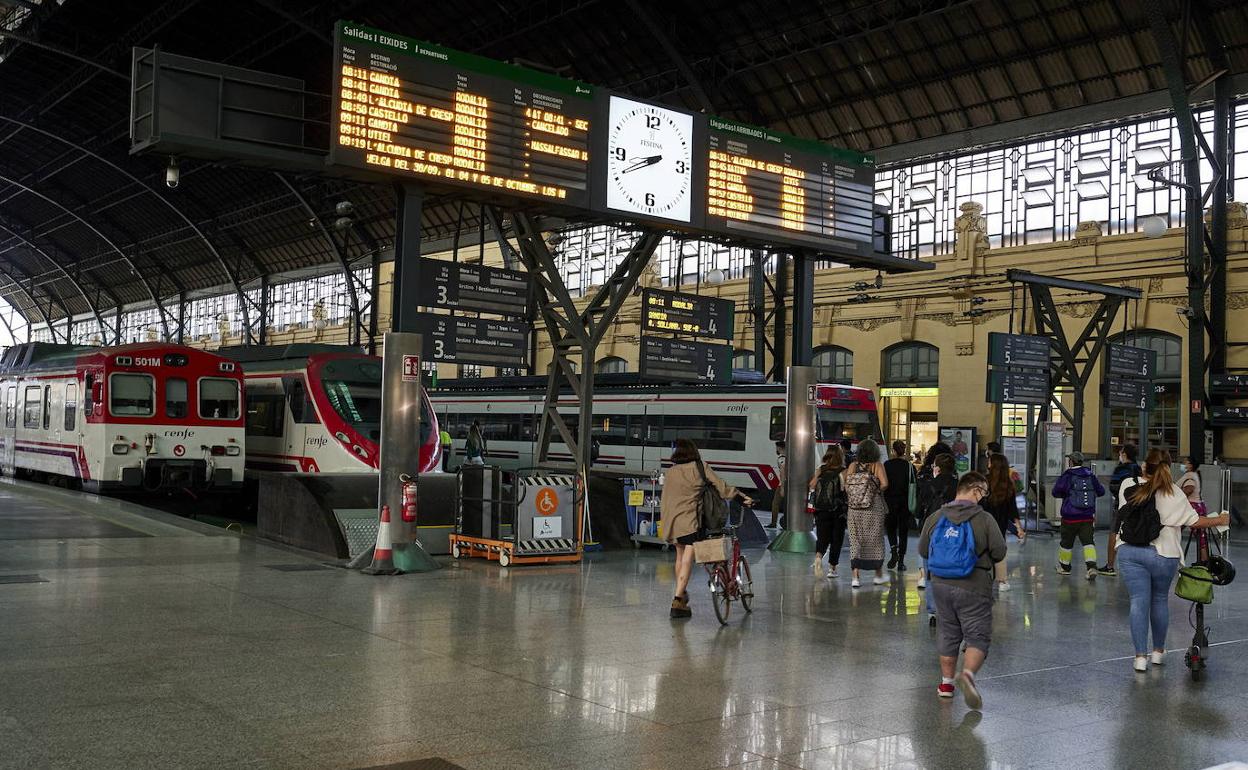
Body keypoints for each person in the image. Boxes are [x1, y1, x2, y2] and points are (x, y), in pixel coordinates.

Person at [1117, 449, 1229, 672]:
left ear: (1144, 467)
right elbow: (1195, 522)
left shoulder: (1127, 486)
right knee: (1159, 600)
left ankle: (1140, 657)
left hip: (1130, 551)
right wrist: (1222, 519)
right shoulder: (1174, 493)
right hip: (1163, 553)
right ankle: (1158, 652)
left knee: (1138, 602)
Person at [918, 471, 1007, 709]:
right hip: (974, 585)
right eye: (983, 493)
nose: (983, 498)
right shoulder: (985, 519)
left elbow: (923, 550)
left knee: (948, 632)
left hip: (940, 584)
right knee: (977, 634)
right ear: (976, 490)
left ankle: (946, 684)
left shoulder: (937, 516)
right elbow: (999, 551)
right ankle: (967, 674)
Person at [661, 438, 754, 618]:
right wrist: (743, 499)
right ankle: (678, 598)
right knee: (688, 557)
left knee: (680, 556)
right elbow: (722, 487)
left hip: (671, 520)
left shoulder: (671, 471)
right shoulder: (699, 467)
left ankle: (681, 593)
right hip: (690, 520)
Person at [843, 438, 889, 588]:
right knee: (875, 539)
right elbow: (885, 484)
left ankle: (855, 577)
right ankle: (878, 575)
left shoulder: (852, 466)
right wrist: (872, 491)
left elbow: (846, 486)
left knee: (856, 540)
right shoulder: (877, 466)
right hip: (873, 507)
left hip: (854, 508)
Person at [1051, 451, 1105, 580]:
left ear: (1071, 461)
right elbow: (1101, 491)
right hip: (1087, 516)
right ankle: (1091, 567)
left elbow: (1055, 492)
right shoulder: (1090, 475)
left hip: (1070, 517)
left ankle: (1065, 567)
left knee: (1066, 543)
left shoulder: (1068, 475)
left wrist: (1066, 495)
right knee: (1088, 542)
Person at [917, 452, 958, 605]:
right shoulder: (958, 486)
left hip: (931, 530)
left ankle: (933, 609)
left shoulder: (928, 486)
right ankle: (951, 604)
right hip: (953, 530)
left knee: (930, 571)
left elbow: (918, 511)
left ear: (938, 468)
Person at [981, 453, 1025, 592]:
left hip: (983, 521)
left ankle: (983, 578)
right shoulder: (1008, 485)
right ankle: (1002, 580)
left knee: (983, 550)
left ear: (993, 465)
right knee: (1000, 551)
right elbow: (1013, 510)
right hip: (1000, 524)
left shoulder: (984, 482)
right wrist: (1019, 528)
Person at [1099, 444, 1142, 577]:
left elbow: (1114, 487)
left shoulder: (1121, 469)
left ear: (1125, 454)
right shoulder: (1138, 468)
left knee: (1114, 532)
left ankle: (1110, 566)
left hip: (1121, 506)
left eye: (1121, 453)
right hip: (1138, 506)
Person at [809, 445, 847, 577]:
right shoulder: (843, 471)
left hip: (821, 509)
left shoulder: (821, 469)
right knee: (837, 538)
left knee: (822, 536)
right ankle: (832, 569)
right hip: (838, 510)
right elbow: (845, 489)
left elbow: (812, 485)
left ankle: (818, 557)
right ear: (840, 456)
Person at [883, 439, 914, 571]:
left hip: (890, 501)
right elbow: (913, 484)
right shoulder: (909, 466)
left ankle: (893, 549)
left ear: (893, 451)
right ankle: (901, 561)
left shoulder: (887, 464)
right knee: (903, 531)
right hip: (905, 502)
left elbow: (883, 483)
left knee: (890, 528)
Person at [768, 441, 786, 529]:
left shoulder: (782, 458)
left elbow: (782, 472)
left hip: (783, 483)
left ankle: (773, 523)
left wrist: (782, 487)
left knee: (775, 503)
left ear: (779, 447)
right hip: (791, 483)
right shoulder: (790, 457)